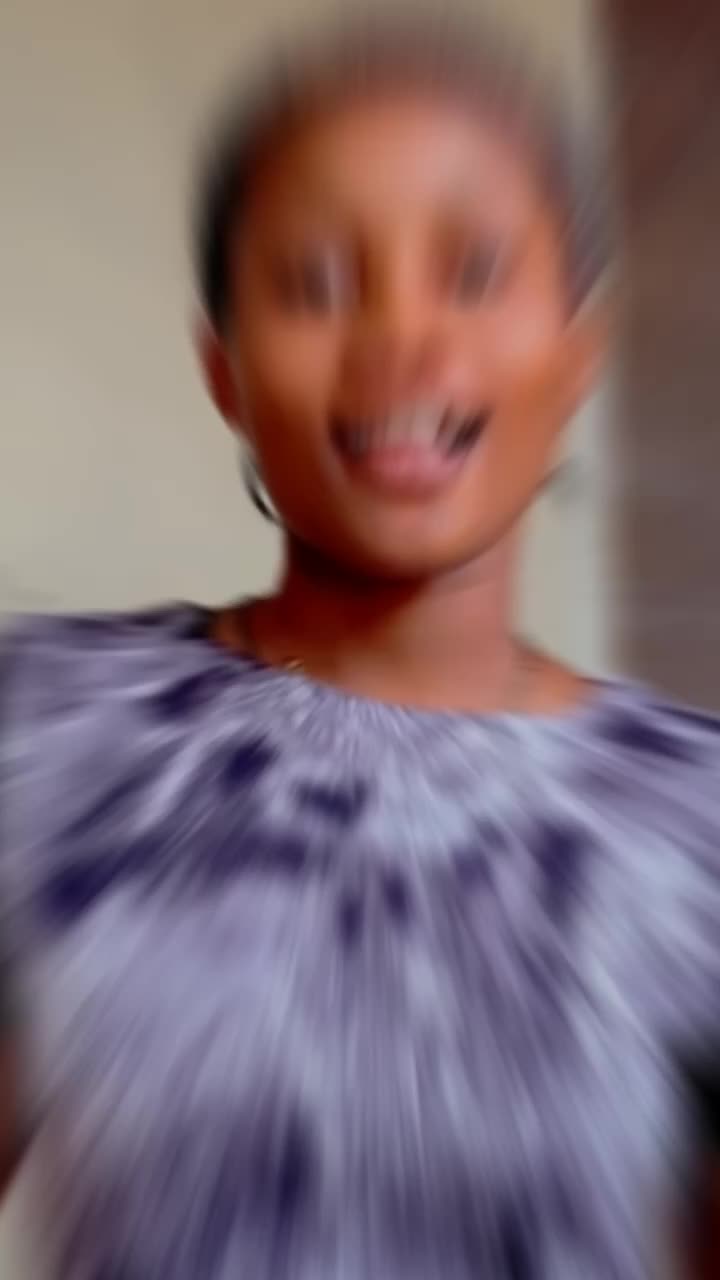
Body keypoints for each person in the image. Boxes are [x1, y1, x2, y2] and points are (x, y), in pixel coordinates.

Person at [0, 12, 718, 1278]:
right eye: (316, 281)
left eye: (474, 269)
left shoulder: (696, 823)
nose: (402, 338)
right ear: (224, 369)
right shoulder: (49, 732)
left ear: (578, 350)